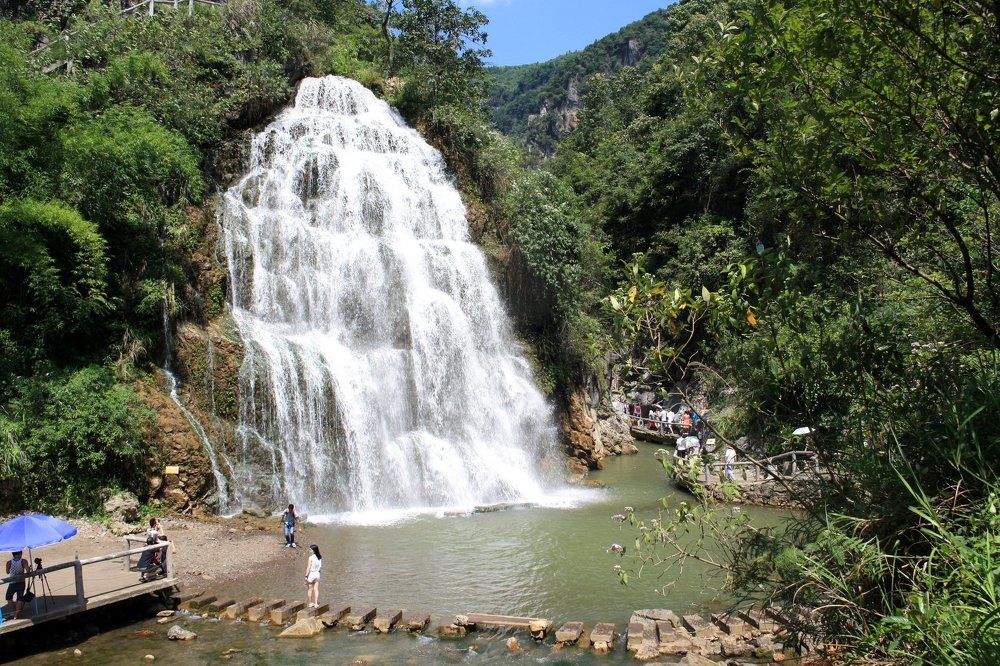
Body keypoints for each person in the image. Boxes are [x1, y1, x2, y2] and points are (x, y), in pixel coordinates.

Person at [5, 551, 31, 620]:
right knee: (19, 598)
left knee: (9, 598)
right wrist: (29, 568)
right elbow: (28, 571)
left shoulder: (9, 562)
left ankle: (12, 613)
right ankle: (16, 615)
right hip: (21, 581)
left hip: (12, 582)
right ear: (20, 554)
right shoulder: (23, 561)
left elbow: (7, 572)